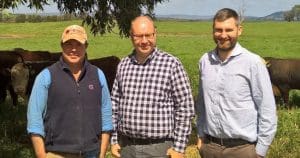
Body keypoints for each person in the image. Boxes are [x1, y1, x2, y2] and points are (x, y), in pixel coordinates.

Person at [196, 8, 277, 158]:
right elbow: (201, 103)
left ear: (239, 30)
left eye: (229, 30)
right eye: (218, 30)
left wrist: (260, 152)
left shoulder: (253, 63)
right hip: (210, 148)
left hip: (242, 150)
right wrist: (201, 135)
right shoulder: (204, 62)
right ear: (213, 30)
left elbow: (267, 109)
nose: (223, 35)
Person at [110, 15, 195, 158]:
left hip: (159, 149)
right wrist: (113, 140)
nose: (144, 41)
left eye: (148, 35)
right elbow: (114, 105)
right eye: (138, 36)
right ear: (131, 36)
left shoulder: (171, 64)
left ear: (155, 33)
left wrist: (179, 148)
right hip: (126, 147)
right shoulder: (123, 65)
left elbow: (185, 107)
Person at [27, 25, 113, 158]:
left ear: (86, 46)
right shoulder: (46, 76)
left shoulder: (98, 75)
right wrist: (41, 155)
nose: (74, 49)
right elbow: (34, 119)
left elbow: (106, 115)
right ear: (62, 46)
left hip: (92, 152)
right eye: (68, 44)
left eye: (78, 44)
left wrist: (101, 153)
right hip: (57, 153)